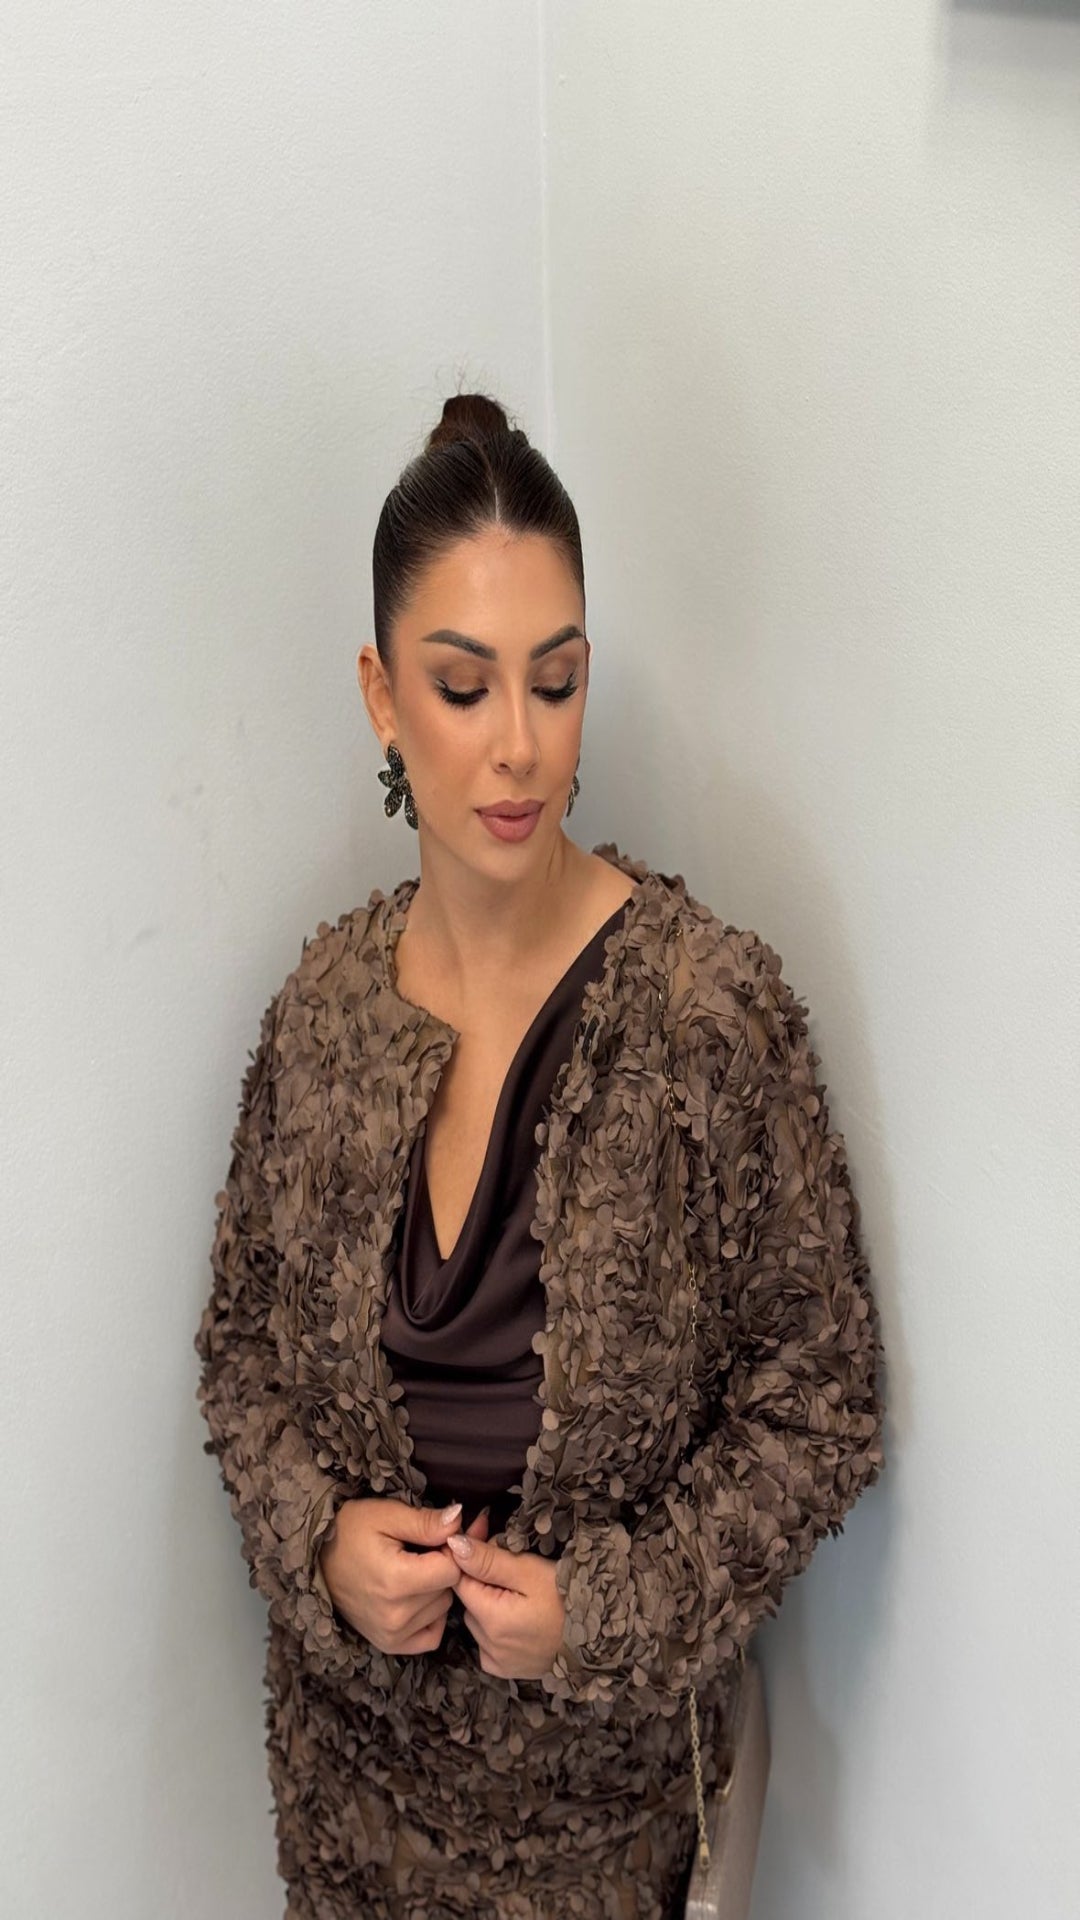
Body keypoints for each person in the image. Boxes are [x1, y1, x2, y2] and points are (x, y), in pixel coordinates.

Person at [193, 392, 887, 1920]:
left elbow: (821, 1404)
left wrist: (602, 1615)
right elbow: (240, 1356)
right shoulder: (321, 1016)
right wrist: (318, 1542)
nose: (520, 745)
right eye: (463, 687)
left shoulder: (706, 1018)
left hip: (607, 1840)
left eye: (556, 681)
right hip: (347, 1818)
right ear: (382, 696)